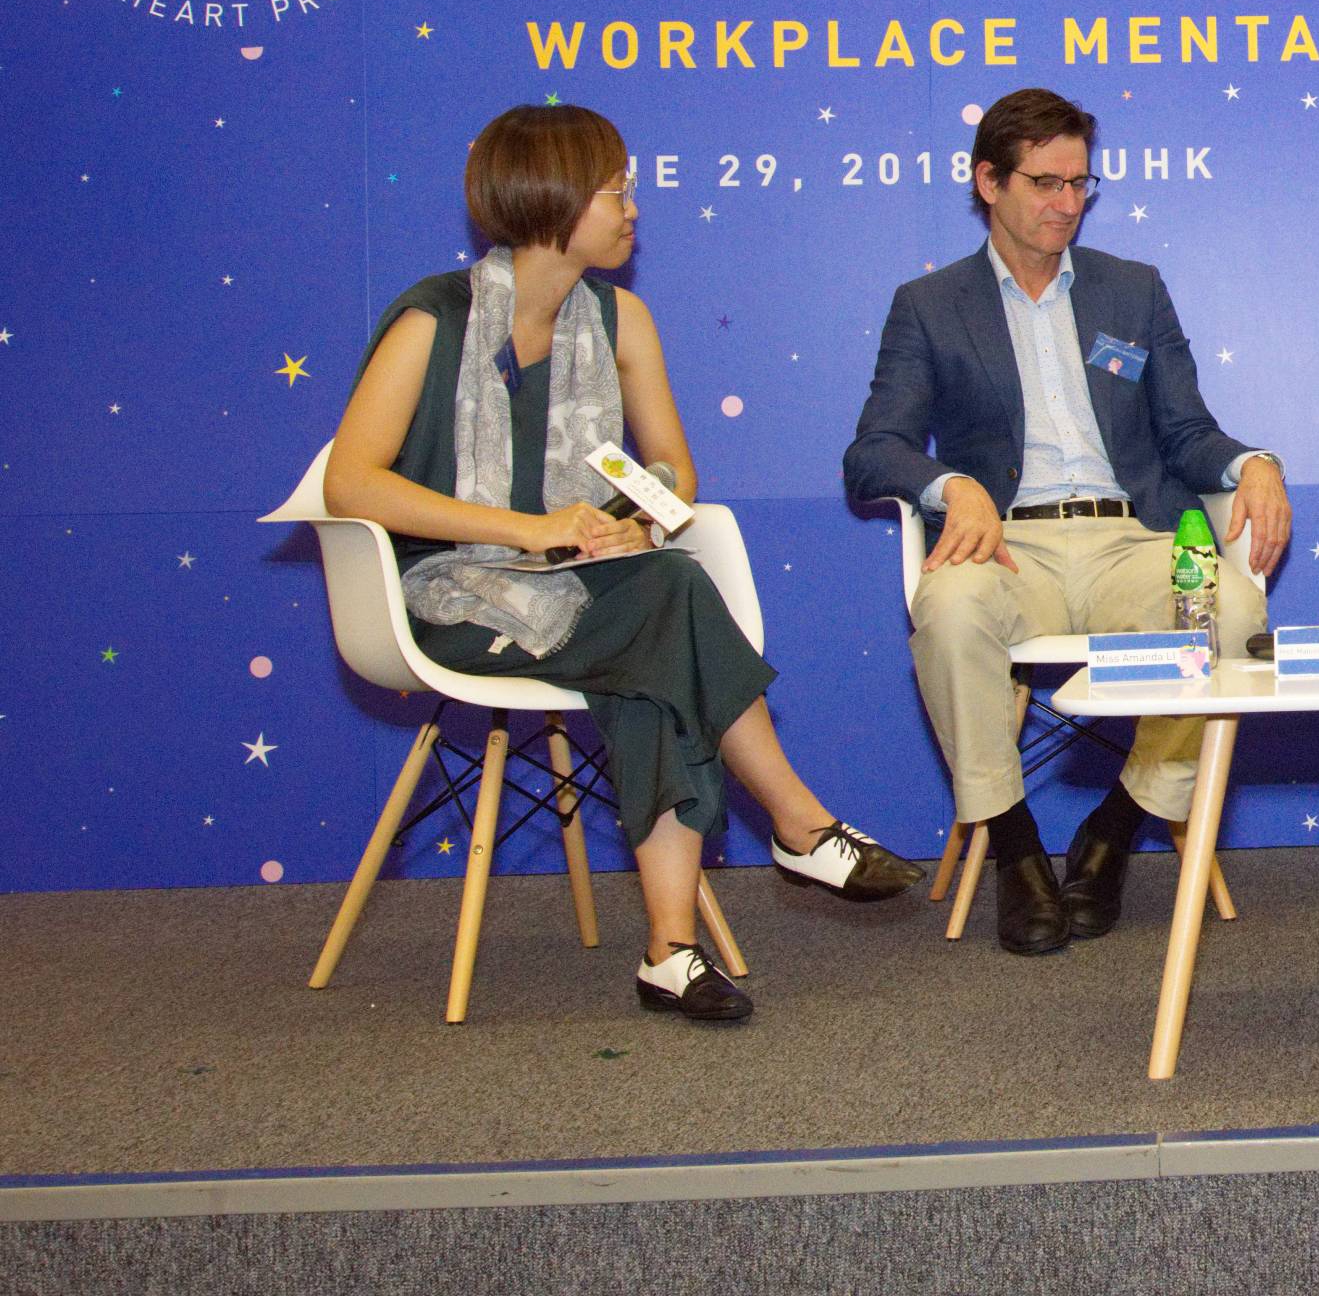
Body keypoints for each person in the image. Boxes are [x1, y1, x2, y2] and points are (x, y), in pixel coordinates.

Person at [325, 104, 921, 1027]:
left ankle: (671, 953)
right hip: (454, 598)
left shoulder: (621, 318)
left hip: (598, 595)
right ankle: (798, 826)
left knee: (658, 645)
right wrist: (528, 531)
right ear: (553, 199)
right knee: (671, 607)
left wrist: (628, 523)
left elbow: (674, 470)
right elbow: (351, 483)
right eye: (616, 191)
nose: (634, 207)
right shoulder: (432, 320)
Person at [845, 88, 1290, 957]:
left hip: (1132, 537)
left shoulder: (1134, 290)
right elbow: (874, 450)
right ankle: (1015, 849)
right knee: (948, 609)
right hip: (1009, 544)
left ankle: (1116, 826)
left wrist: (1253, 464)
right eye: (1045, 182)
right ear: (988, 182)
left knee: (1233, 613)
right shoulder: (930, 304)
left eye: (1081, 183)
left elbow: (1187, 433)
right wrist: (950, 487)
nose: (1066, 204)